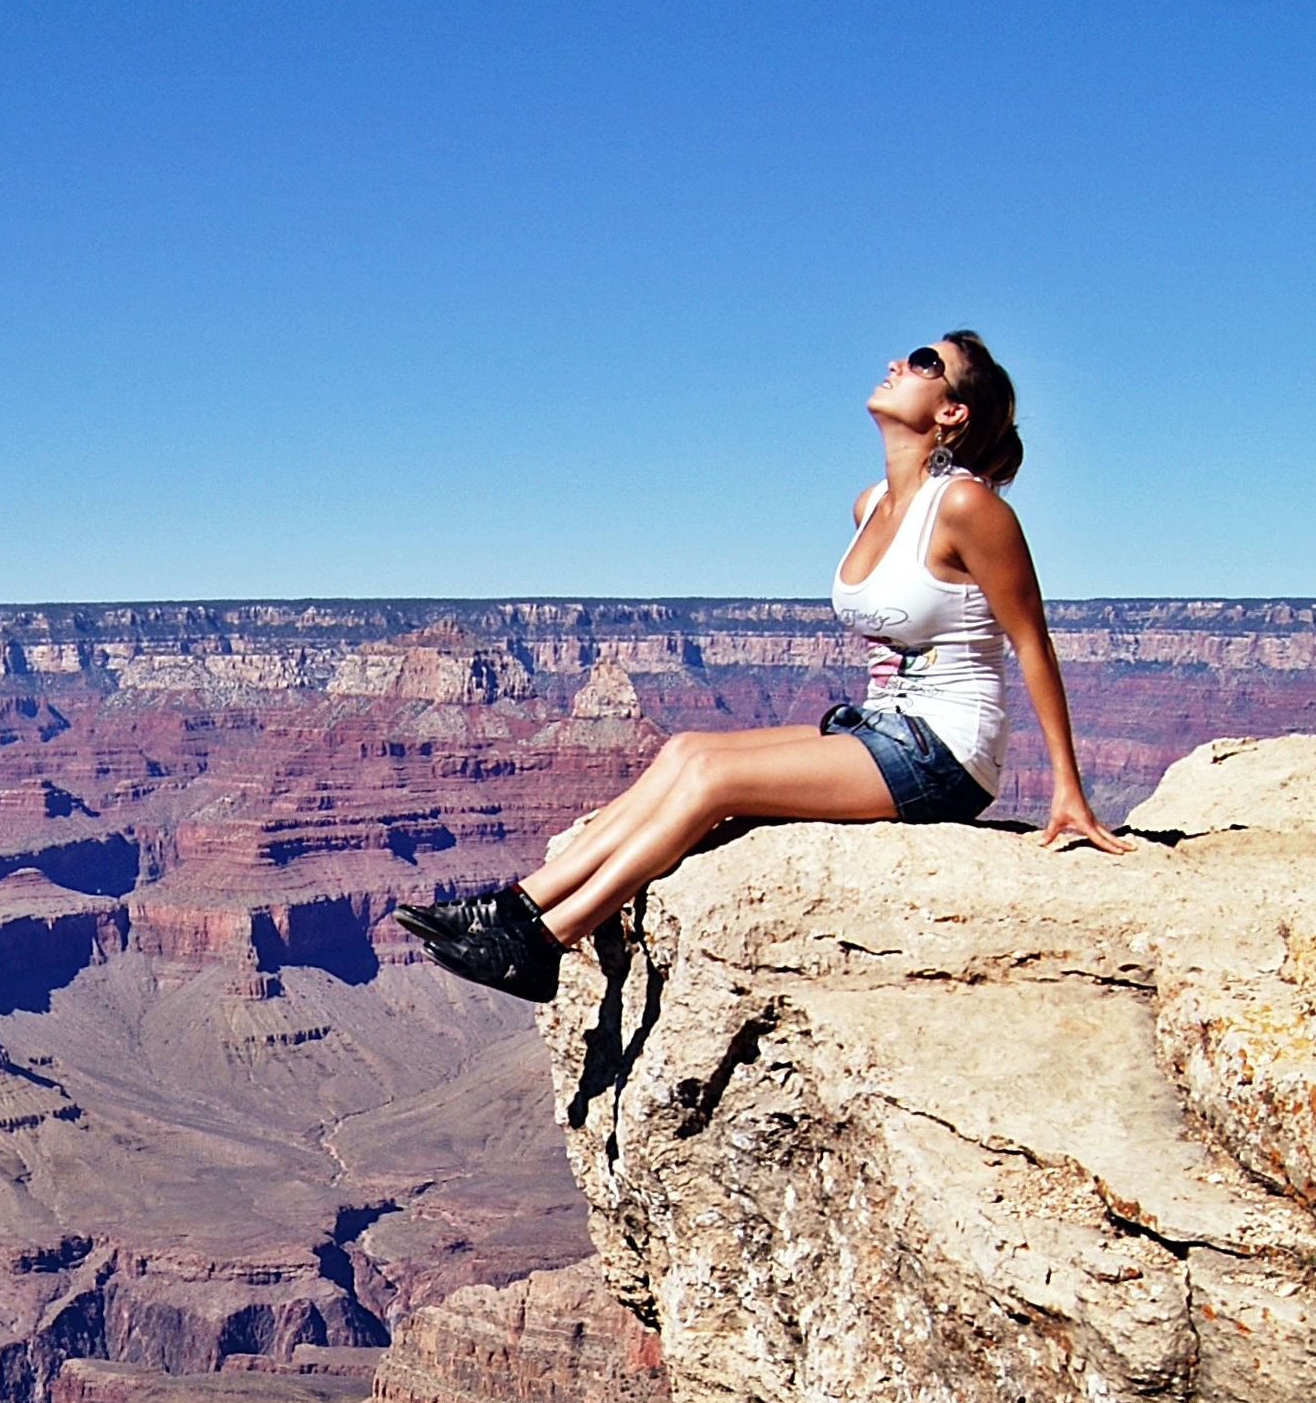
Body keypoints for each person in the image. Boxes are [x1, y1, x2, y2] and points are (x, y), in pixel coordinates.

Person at [398, 331, 1130, 1002]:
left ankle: (544, 943)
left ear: (951, 412)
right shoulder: (871, 504)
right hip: (879, 727)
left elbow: (1032, 643)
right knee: (686, 751)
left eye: (924, 362)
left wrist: (1067, 788)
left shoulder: (968, 506)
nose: (897, 363)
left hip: (944, 753)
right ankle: (512, 907)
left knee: (715, 783)